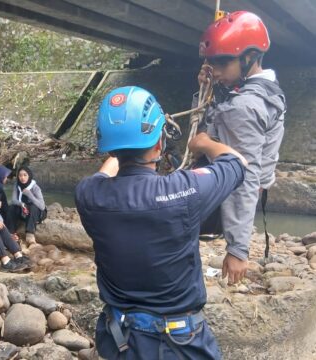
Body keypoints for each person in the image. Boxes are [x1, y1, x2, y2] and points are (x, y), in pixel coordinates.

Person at [75, 86, 247, 359]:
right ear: (159, 144)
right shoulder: (185, 190)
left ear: (110, 147)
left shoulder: (88, 194)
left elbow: (104, 174)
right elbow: (237, 163)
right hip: (179, 344)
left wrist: (119, 147)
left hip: (120, 340)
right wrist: (202, 142)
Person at [197, 11, 286, 283]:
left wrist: (237, 249)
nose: (217, 70)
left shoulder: (244, 107)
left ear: (249, 58)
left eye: (223, 62)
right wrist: (208, 88)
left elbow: (244, 175)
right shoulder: (268, 87)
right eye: (212, 62)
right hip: (251, 187)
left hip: (223, 193)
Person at [8, 166, 46, 246]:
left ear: (29, 176)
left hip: (35, 212)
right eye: (20, 175)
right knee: (11, 207)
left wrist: (30, 195)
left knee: (33, 207)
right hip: (24, 210)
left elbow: (42, 206)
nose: (22, 178)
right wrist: (22, 204)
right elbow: (13, 200)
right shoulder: (17, 185)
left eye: (25, 175)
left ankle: (30, 234)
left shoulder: (35, 187)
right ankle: (11, 233)